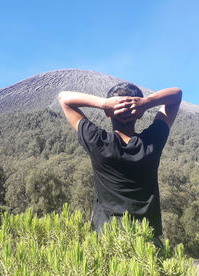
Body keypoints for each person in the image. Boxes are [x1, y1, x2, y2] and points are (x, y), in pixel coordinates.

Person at [58, 82, 182, 238]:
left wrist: (103, 103)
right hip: (146, 237)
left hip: (106, 238)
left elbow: (64, 98)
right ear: (139, 113)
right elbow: (177, 94)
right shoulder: (152, 141)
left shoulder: (97, 142)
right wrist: (145, 103)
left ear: (108, 113)